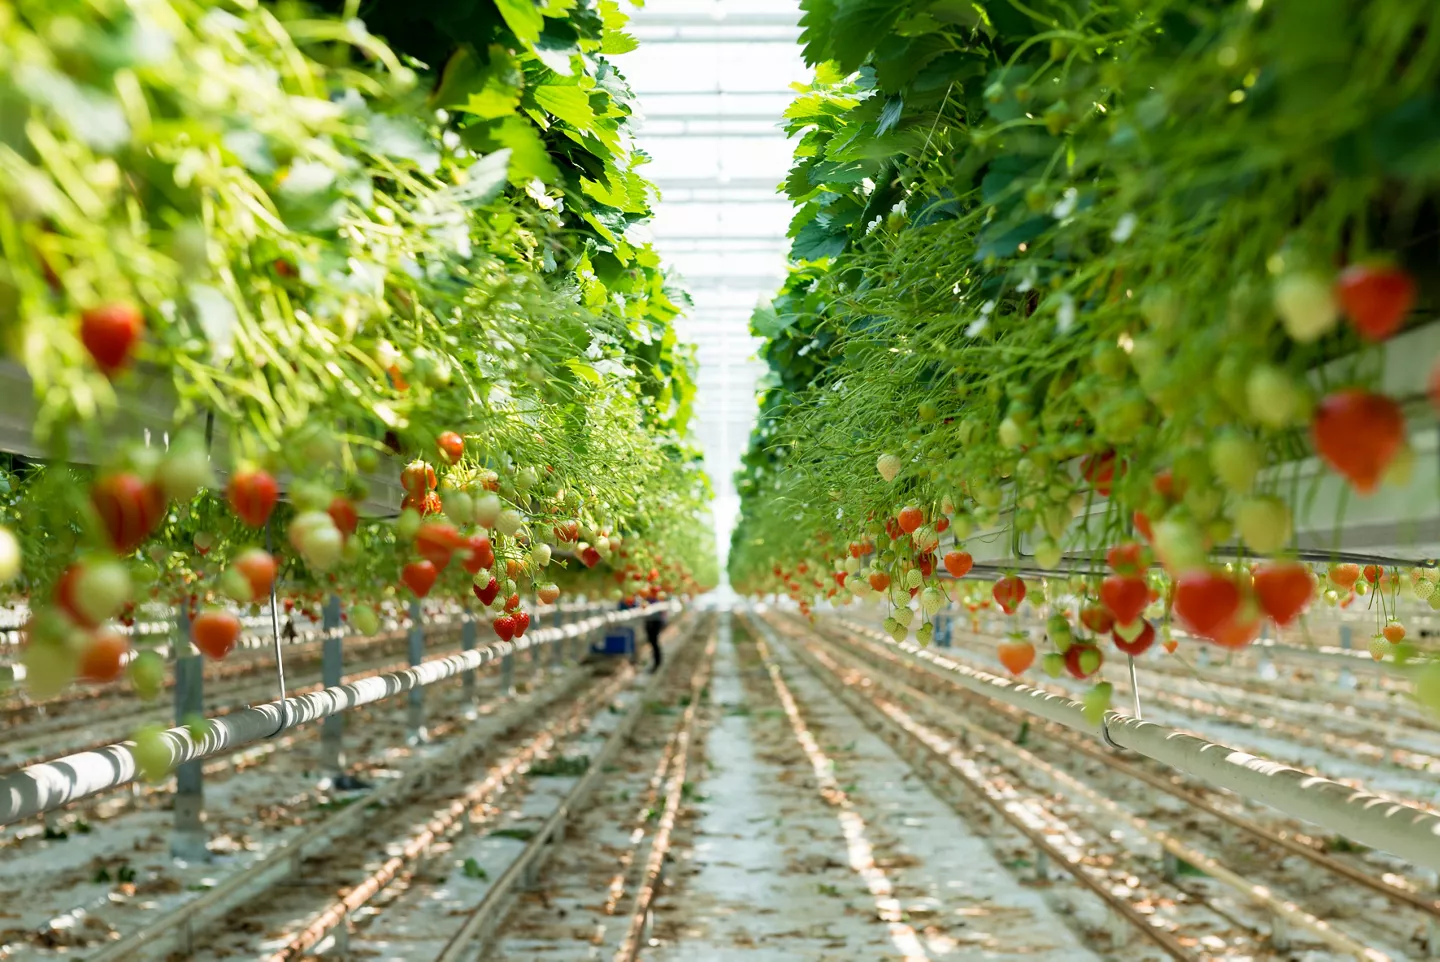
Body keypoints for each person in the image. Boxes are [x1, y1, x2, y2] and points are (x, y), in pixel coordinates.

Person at [643, 601, 667, 673]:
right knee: (652, 642)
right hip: (650, 620)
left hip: (655, 621)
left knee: (654, 642)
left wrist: (663, 620)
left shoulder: (658, 596)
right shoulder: (646, 597)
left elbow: (663, 608)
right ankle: (656, 661)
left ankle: (657, 662)